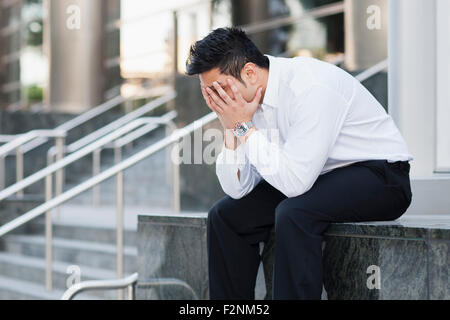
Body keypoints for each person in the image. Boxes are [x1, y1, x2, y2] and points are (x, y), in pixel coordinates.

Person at [185, 27, 413, 300]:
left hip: (381, 175)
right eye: (208, 93)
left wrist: (244, 127)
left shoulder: (309, 87)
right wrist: (231, 128)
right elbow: (237, 189)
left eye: (219, 90)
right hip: (318, 176)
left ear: (249, 72)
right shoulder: (245, 103)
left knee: (294, 213)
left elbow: (294, 183)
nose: (217, 101)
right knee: (225, 216)